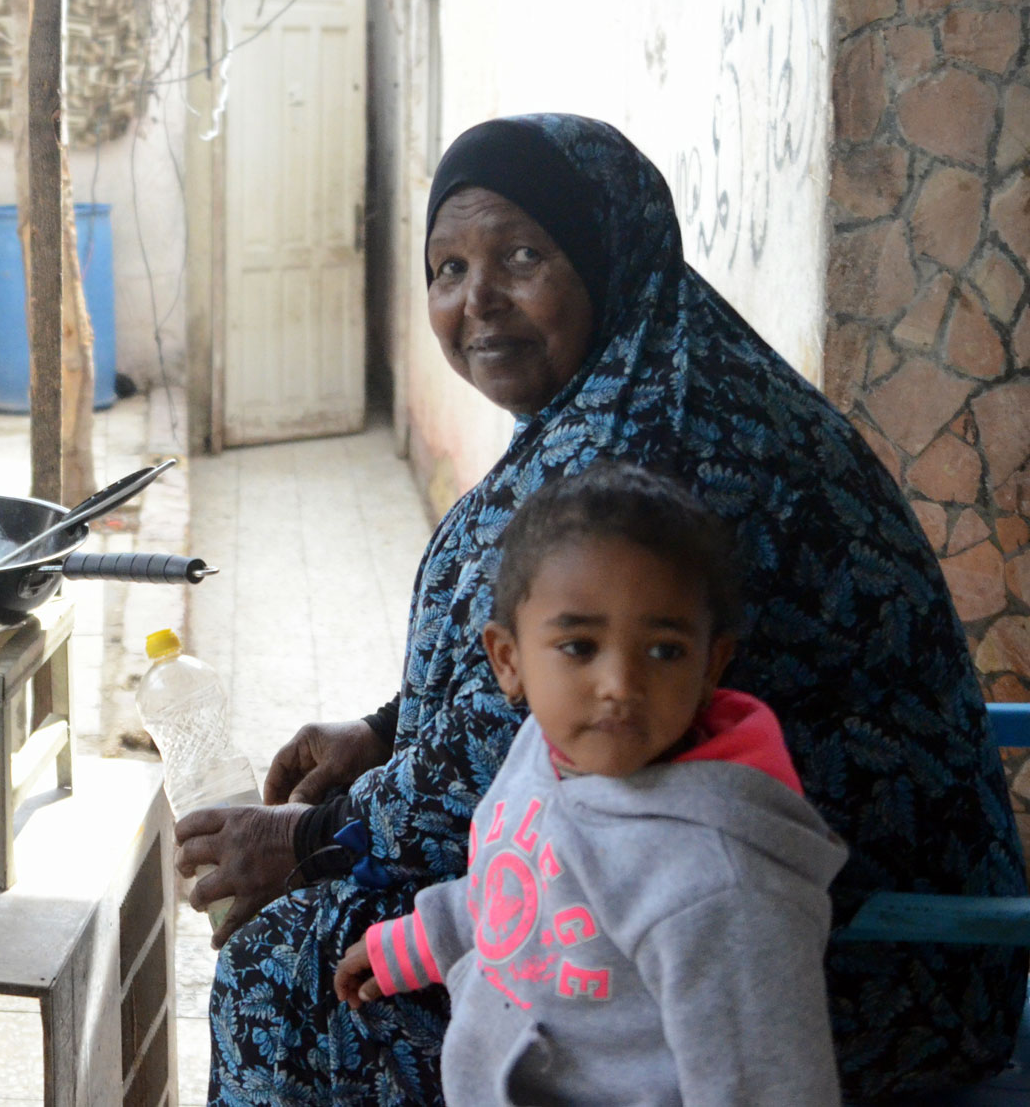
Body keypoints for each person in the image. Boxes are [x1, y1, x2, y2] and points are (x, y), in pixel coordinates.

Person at [182, 114, 1025, 1104]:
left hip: (834, 958)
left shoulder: (653, 448)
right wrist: (383, 729)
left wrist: (301, 838)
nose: (477, 300)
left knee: (281, 970)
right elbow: (546, 675)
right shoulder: (645, 376)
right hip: (670, 881)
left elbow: (490, 777)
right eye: (445, 268)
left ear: (606, 253)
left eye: (523, 256)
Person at [335, 462, 845, 1107]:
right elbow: (524, 882)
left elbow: (769, 1087)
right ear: (509, 661)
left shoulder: (717, 887)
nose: (619, 685)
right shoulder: (545, 749)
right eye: (579, 647)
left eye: (664, 651)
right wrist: (423, 941)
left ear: (711, 664)